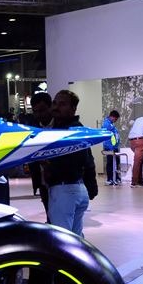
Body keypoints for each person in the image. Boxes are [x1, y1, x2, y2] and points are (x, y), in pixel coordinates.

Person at [43, 90, 97, 237]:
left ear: (73, 109)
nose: (56, 107)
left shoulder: (70, 131)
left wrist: (50, 169)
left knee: (63, 240)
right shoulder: (63, 128)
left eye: (62, 104)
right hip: (74, 190)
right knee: (75, 239)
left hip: (65, 190)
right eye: (55, 103)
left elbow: (87, 159)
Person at [25, 92, 54, 216]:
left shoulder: (63, 127)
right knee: (50, 215)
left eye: (42, 110)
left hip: (62, 183)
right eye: (35, 111)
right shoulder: (32, 128)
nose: (38, 115)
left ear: (50, 107)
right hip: (43, 182)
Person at [101, 110, 121, 186]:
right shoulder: (106, 124)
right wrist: (110, 147)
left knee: (116, 163)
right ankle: (110, 179)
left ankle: (115, 178)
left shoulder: (111, 124)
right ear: (112, 117)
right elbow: (106, 137)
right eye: (115, 119)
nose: (116, 121)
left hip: (114, 147)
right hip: (110, 148)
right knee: (110, 163)